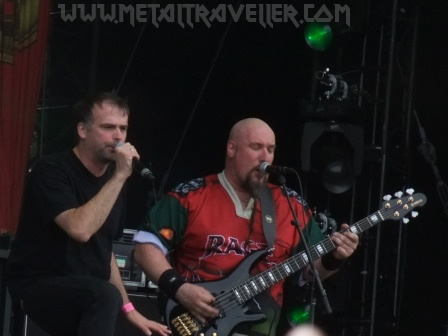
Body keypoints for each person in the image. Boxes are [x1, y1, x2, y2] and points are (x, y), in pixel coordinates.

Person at [133, 118, 359, 336]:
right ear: (232, 149)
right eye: (256, 147)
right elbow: (146, 247)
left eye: (270, 149)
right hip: (196, 323)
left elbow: (309, 274)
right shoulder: (191, 195)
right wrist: (179, 289)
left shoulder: (291, 205)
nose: (265, 157)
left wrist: (335, 257)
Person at [6, 92, 171, 336]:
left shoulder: (113, 183)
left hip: (88, 292)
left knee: (106, 297)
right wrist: (119, 176)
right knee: (103, 295)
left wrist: (129, 309)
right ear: (82, 130)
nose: (118, 136)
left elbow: (105, 253)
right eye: (108, 127)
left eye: (123, 128)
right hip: (39, 285)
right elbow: (80, 230)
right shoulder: (51, 170)